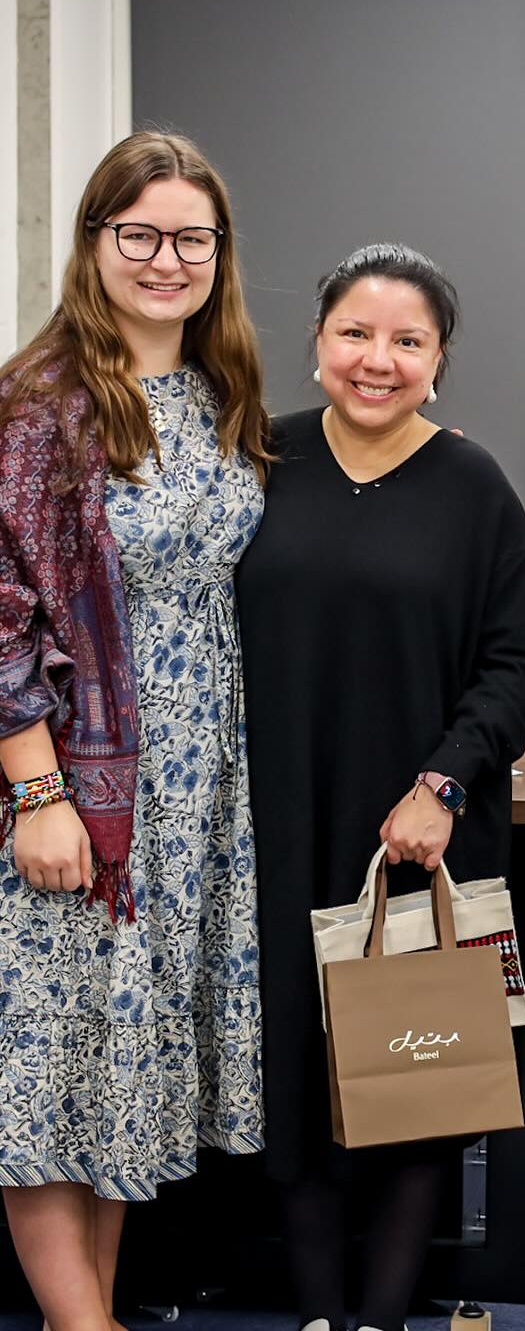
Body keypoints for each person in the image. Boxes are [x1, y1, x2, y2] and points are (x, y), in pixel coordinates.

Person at [236, 243, 525, 1331]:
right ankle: (322, 1314)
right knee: (298, 1067)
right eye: (355, 334)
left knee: (418, 1075)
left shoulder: (472, 485)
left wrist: (443, 786)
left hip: (418, 830)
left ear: (439, 359)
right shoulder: (256, 459)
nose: (379, 359)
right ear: (317, 343)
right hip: (276, 818)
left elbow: (517, 664)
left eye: (407, 340)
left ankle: (381, 1318)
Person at [0, 132, 269, 1331]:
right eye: (141, 235)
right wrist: (37, 792)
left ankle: (96, 1313)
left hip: (197, 788)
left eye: (191, 238)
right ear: (95, 242)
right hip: (85, 778)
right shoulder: (41, 405)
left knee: (121, 1066)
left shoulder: (220, 392)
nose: (168, 260)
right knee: (51, 1066)